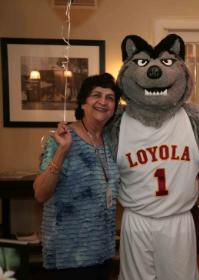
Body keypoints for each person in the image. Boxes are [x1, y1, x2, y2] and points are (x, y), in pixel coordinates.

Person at [33, 73, 122, 280]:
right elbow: (40, 193)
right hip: (68, 254)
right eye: (96, 95)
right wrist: (63, 151)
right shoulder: (63, 138)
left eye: (110, 97)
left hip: (101, 251)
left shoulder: (109, 139)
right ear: (83, 102)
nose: (103, 101)